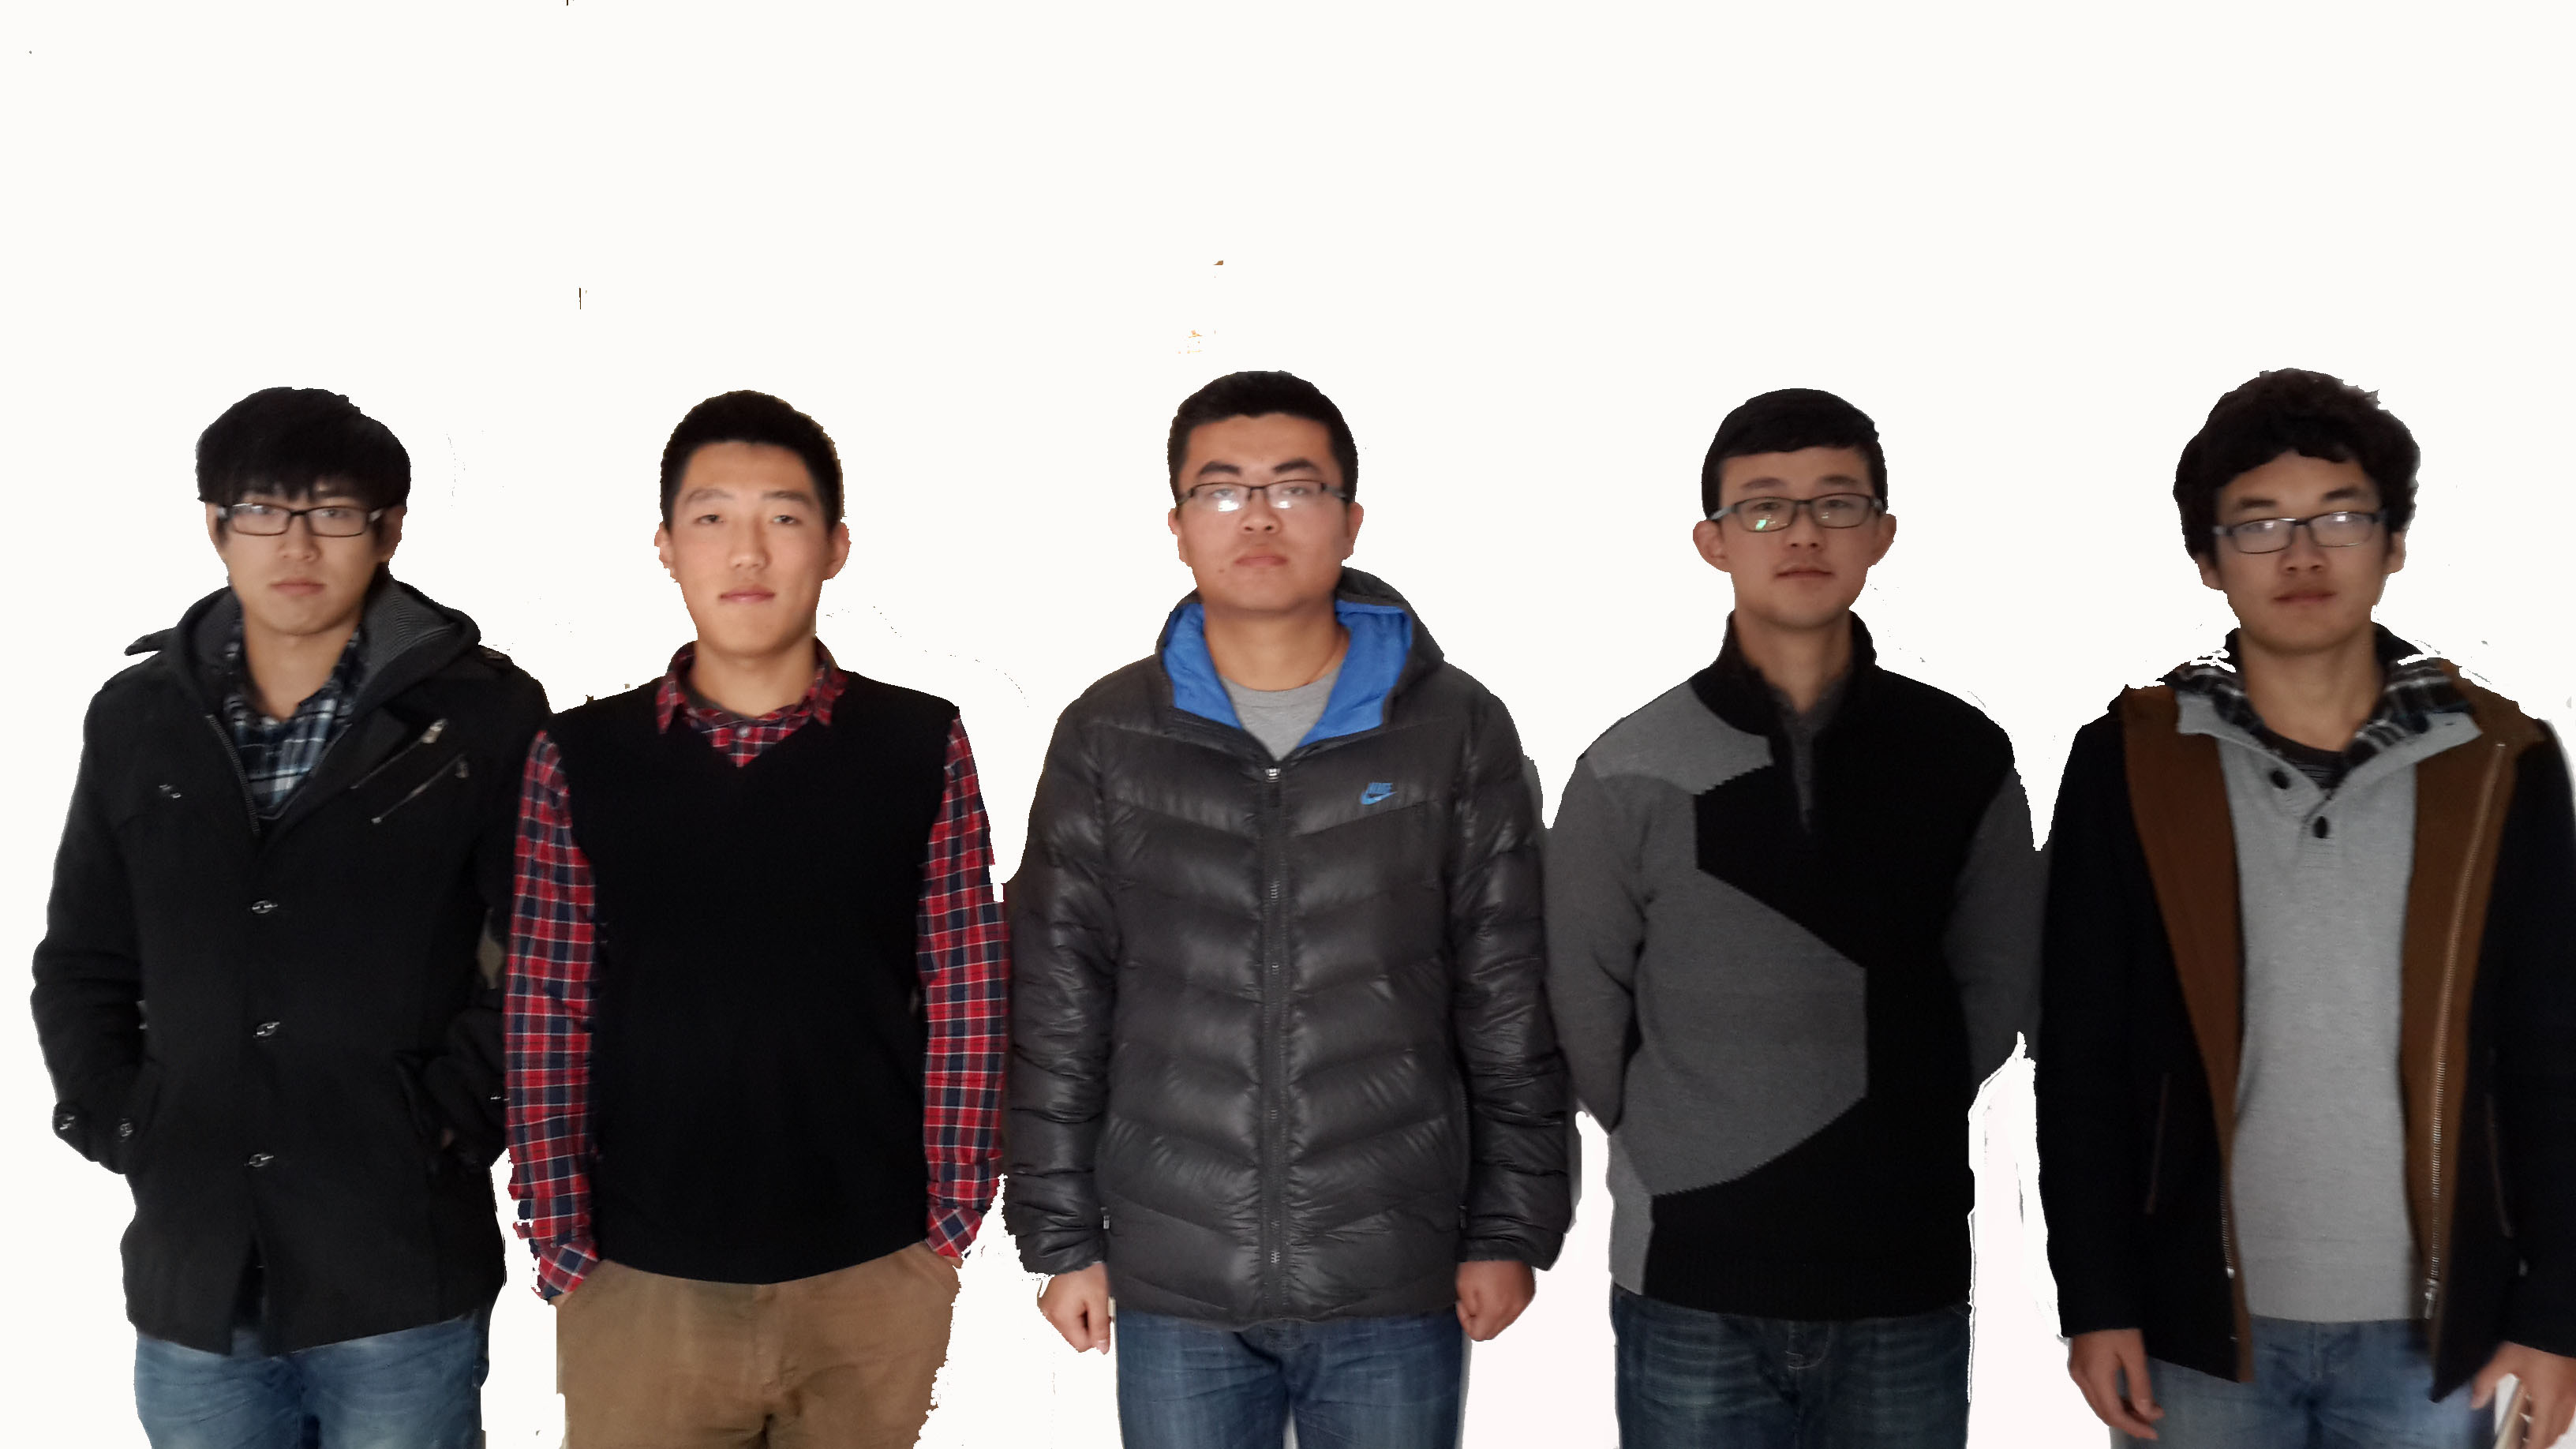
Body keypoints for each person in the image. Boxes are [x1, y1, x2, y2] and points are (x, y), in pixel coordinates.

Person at [1005, 369, 1572, 1449]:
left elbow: (1508, 991)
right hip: (1176, 1275)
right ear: (1178, 526)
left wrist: (1509, 1226)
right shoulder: (1110, 735)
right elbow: (1059, 1001)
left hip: (1392, 1267)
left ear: (1350, 519)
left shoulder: (1451, 729)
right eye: (1222, 489)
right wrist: (1061, 1236)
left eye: (1296, 487)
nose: (1259, 516)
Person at [2038, 368, 2576, 1448]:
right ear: (2208, 560)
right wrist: (2096, 1300)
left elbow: (2551, 1048)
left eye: (2340, 516)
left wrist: (2554, 1313)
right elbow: (2082, 1051)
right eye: (2259, 524)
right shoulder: (2132, 761)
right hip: (2196, 1328)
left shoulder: (2498, 763)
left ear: (2393, 542)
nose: (2302, 554)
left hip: (2440, 1334)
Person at [31, 386, 548, 1447]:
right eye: (264, 510)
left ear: (389, 530)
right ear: (216, 525)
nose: (297, 544)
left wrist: (454, 1117)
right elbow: (85, 955)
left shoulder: (480, 714)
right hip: (195, 1268)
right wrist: (119, 1114)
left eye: (335, 513)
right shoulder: (139, 716)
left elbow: (543, 945)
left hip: (397, 1259)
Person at [503, 390, 1008, 1447]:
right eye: (711, 517)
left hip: (872, 1270)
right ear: (665, 547)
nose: (748, 551)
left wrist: (951, 1215)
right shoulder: (580, 758)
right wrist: (561, 1237)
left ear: (835, 546)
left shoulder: (917, 744)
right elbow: (549, 1003)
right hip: (641, 1277)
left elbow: (966, 983)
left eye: (783, 516)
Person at [1544, 388, 2041, 1447]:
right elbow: (1584, 1003)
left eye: (1836, 503)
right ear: (1713, 541)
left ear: (1882, 533)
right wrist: (1685, 1136)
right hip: (1690, 1273)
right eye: (1765, 507)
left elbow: (1997, 981)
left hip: (1901, 1270)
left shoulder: (1961, 755)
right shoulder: (1627, 768)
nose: (1803, 532)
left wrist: (1899, 1103)